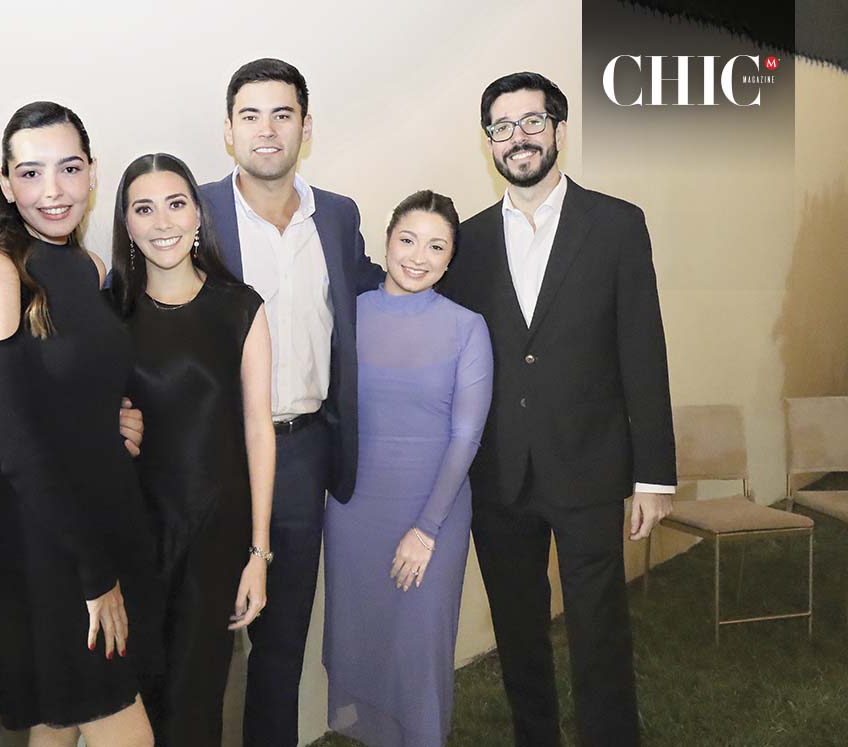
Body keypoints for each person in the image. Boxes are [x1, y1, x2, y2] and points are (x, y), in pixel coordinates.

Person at [436, 72, 676, 747]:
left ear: (559, 131)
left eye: (532, 122)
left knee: (600, 631)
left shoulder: (617, 224)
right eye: (502, 127)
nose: (519, 138)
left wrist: (654, 474)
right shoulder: (468, 241)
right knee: (518, 635)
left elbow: (643, 351)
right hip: (500, 476)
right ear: (489, 143)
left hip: (590, 468)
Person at [0, 101, 158, 747]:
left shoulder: (90, 267)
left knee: (61, 724)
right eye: (31, 172)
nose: (53, 190)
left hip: (104, 517)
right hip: (49, 549)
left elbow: (85, 387)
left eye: (69, 168)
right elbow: (15, 446)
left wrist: (119, 420)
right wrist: (93, 574)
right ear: (4, 179)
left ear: (93, 172)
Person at [199, 57, 383, 747]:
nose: (267, 130)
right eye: (251, 115)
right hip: (213, 457)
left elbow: (370, 292)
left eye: (283, 115)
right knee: (204, 647)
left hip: (304, 453)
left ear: (306, 127)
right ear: (228, 130)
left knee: (280, 649)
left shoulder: (337, 216)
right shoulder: (195, 211)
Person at [110, 152, 274, 746]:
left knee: (195, 702)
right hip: (135, 539)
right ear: (125, 223)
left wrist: (259, 552)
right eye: (143, 208)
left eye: (176, 204)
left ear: (198, 215)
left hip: (216, 535)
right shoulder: (109, 315)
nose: (162, 222)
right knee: (137, 701)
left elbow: (259, 430)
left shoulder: (240, 306)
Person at [323, 190, 492, 747]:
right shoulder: (348, 313)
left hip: (431, 514)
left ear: (450, 259)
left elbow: (466, 435)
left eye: (436, 246)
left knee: (419, 649)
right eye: (408, 240)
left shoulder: (467, 327)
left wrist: (426, 529)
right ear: (388, 241)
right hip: (353, 512)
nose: (418, 256)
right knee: (361, 640)